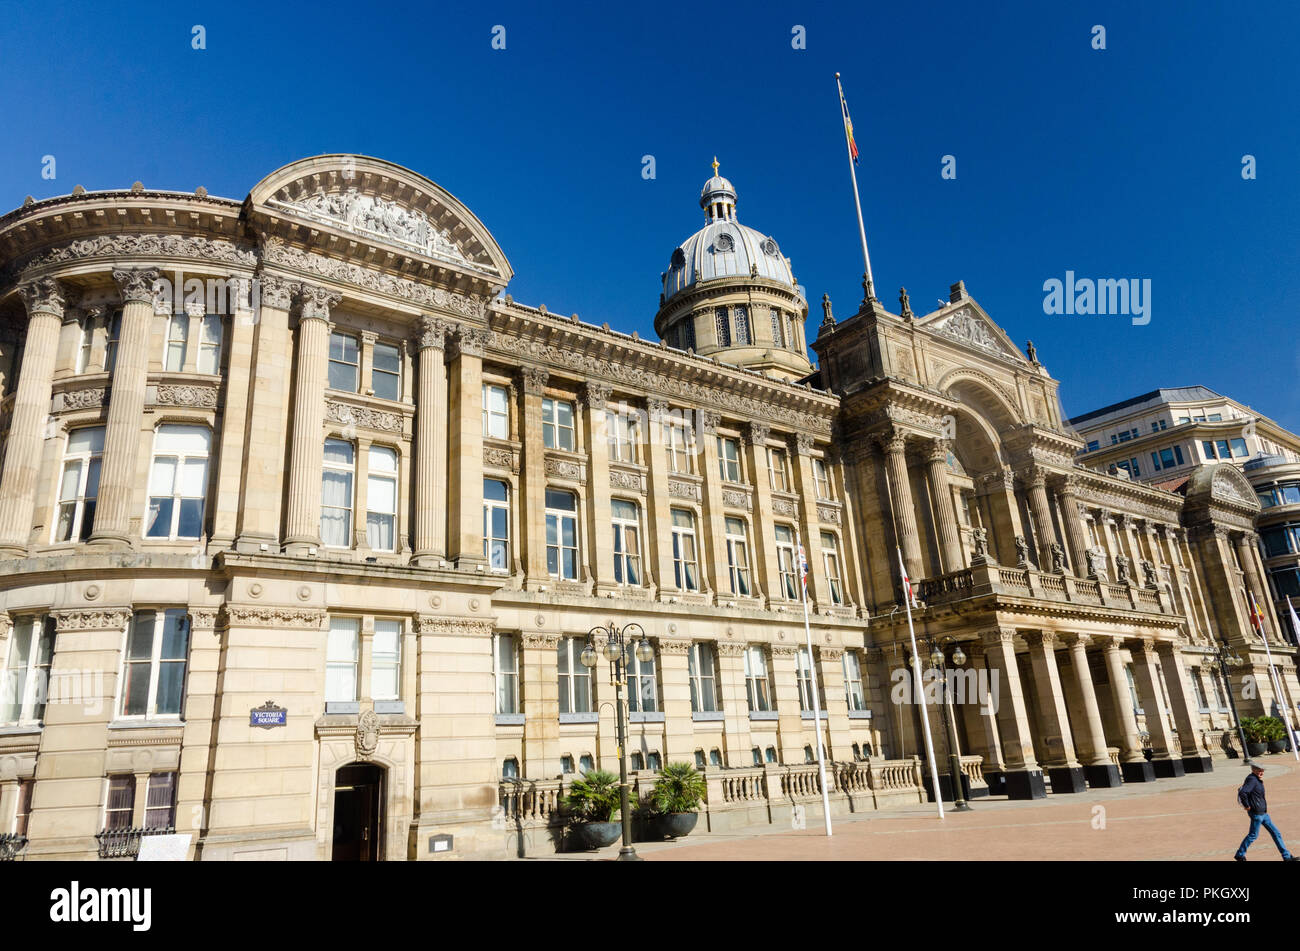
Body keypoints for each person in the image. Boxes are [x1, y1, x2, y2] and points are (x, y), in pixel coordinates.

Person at [1235, 763, 1296, 861]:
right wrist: (1247, 806)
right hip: (1257, 813)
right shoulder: (1252, 780)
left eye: (1262, 770)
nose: (1261, 772)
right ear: (1253, 769)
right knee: (1253, 835)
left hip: (1263, 813)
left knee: (1276, 833)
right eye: (1259, 770)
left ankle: (1286, 856)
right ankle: (1240, 854)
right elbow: (1243, 792)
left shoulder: (1255, 779)